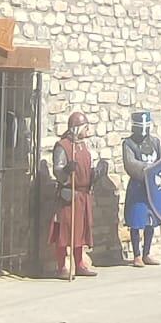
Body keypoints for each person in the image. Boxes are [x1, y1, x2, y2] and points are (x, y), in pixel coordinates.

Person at [49, 111, 96, 278]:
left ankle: (79, 264)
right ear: (77, 128)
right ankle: (62, 267)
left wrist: (95, 174)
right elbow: (58, 171)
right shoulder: (63, 146)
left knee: (80, 232)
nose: (87, 131)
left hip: (83, 195)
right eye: (85, 127)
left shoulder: (83, 146)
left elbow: (87, 168)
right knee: (65, 232)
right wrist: (67, 171)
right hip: (69, 194)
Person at [121, 110, 161, 267]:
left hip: (151, 188)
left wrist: (156, 172)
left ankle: (147, 253)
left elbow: (160, 161)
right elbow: (130, 164)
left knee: (150, 221)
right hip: (137, 186)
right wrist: (147, 169)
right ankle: (137, 255)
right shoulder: (128, 144)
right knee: (136, 221)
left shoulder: (154, 142)